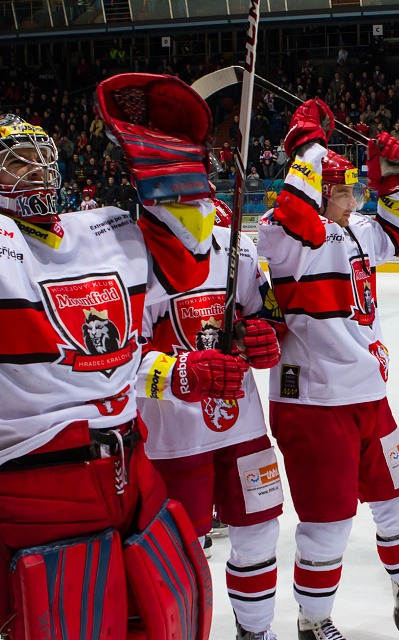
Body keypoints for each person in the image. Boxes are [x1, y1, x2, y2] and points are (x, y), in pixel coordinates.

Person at [0, 75, 246, 640]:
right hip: (37, 483)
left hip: (132, 470)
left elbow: (187, 256)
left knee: (166, 612)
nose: (33, 173)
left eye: (39, 159)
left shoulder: (103, 229)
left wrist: (169, 166)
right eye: (15, 164)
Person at [258, 100, 399, 640]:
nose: (355, 199)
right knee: (328, 522)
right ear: (319, 192)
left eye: (356, 189)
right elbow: (296, 217)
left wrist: (392, 174)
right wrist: (308, 146)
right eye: (346, 190)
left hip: (368, 397)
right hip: (315, 403)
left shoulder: (354, 231)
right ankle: (313, 621)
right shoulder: (282, 235)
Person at [138, 198, 284, 640]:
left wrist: (263, 336)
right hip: (174, 437)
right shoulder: (135, 253)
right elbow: (116, 358)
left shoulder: (238, 246)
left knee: (260, 531)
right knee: (179, 549)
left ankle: (256, 630)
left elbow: (266, 315)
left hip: (244, 424)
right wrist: (176, 373)